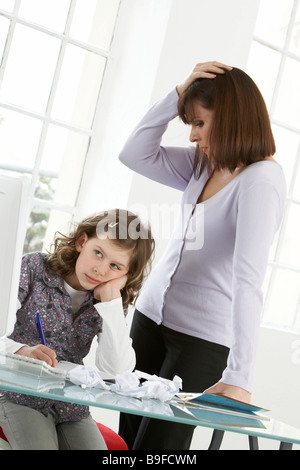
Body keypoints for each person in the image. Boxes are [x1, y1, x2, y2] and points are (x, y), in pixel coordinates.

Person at [118, 62, 287, 449]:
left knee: (159, 450)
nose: (193, 136)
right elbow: (134, 154)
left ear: (229, 116)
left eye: (198, 123)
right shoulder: (203, 163)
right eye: (189, 124)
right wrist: (177, 93)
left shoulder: (261, 180)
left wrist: (240, 377)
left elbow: (248, 280)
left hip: (201, 340)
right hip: (150, 320)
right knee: (128, 446)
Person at [0, 209, 154, 450]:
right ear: (82, 241)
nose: (100, 270)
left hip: (69, 405)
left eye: (115, 266)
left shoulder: (109, 300)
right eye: (98, 253)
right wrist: (21, 351)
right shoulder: (32, 269)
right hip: (17, 396)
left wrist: (111, 303)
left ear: (126, 275)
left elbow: (115, 371)